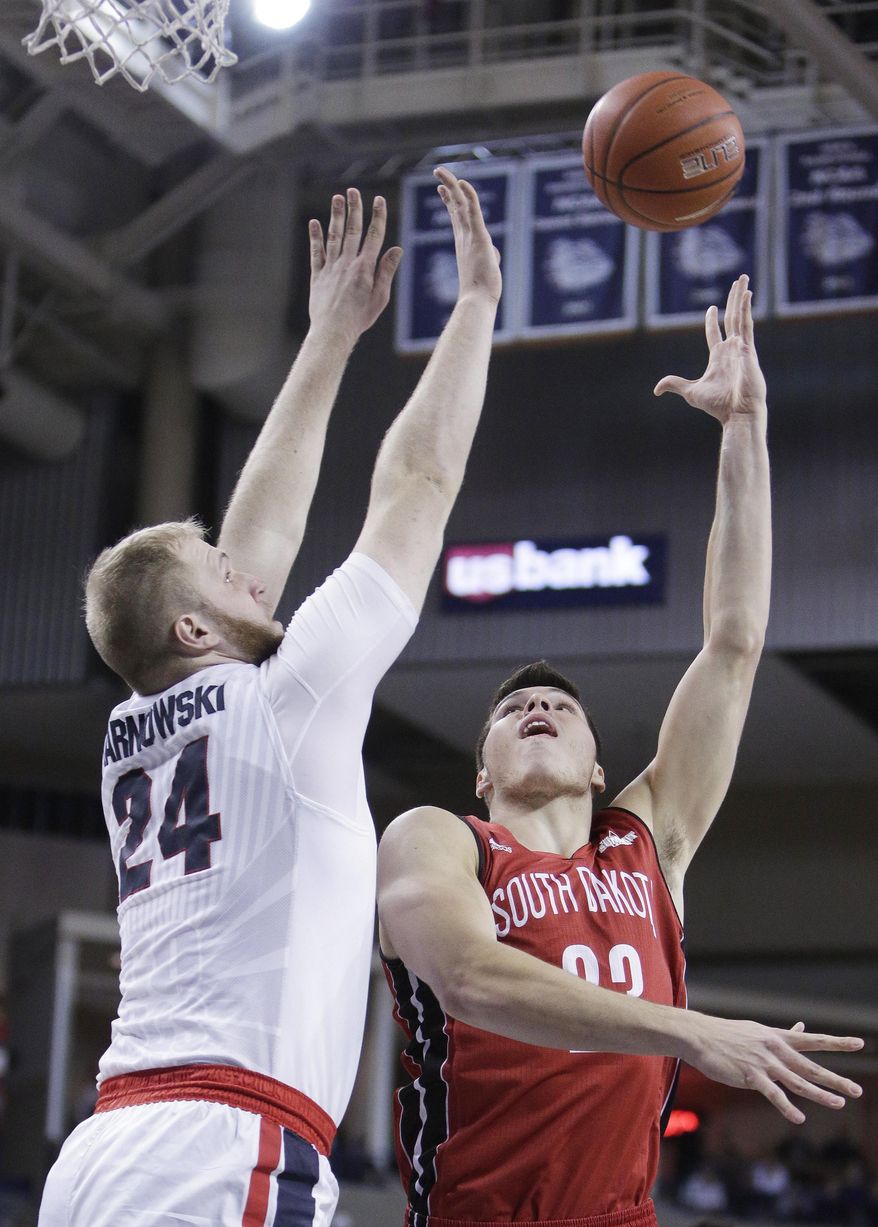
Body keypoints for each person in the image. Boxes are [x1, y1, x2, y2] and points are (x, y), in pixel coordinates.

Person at [38, 167, 501, 1227]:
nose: (250, 572)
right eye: (220, 573)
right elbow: (416, 491)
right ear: (195, 629)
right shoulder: (284, 703)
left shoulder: (133, 730)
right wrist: (472, 309)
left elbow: (255, 547)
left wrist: (329, 336)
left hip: (110, 1150)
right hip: (219, 1141)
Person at [377, 275, 864, 1227]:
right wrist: (693, 1030)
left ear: (602, 766)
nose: (540, 706)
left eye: (560, 703)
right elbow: (474, 979)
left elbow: (733, 640)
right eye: (515, 707)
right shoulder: (442, 841)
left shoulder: (649, 844)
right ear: (481, 771)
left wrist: (744, 431)